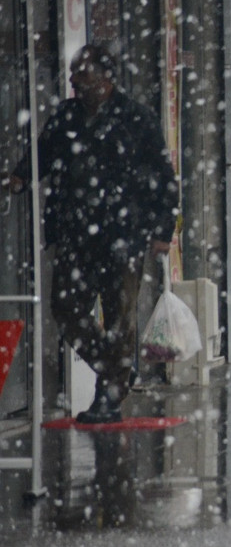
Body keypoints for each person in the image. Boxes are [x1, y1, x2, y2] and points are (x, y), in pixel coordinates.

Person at [6, 44, 178, 423]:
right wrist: (19, 176)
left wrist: (163, 229)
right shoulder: (67, 117)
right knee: (66, 309)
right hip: (74, 233)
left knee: (120, 317)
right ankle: (115, 370)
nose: (73, 81)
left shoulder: (136, 119)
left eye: (81, 74)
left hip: (122, 235)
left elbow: (163, 178)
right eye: (73, 73)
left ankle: (109, 396)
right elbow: (44, 153)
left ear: (105, 79)